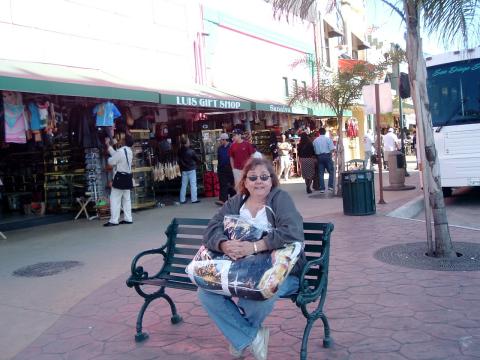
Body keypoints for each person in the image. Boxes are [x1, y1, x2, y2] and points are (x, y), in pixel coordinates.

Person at [199, 157, 305, 360]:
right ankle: (253, 337)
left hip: (280, 270)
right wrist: (223, 244)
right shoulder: (236, 202)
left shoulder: (280, 199)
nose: (259, 181)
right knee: (206, 292)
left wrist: (255, 246)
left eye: (264, 177)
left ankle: (240, 337)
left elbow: (292, 232)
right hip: (239, 269)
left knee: (256, 299)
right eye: (253, 177)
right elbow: (212, 228)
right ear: (245, 181)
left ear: (272, 180)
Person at [104, 135, 134, 226]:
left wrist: (109, 159)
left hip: (120, 177)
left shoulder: (121, 151)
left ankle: (114, 220)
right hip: (127, 177)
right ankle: (128, 218)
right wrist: (108, 146)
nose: (120, 140)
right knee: (126, 199)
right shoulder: (129, 151)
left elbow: (112, 161)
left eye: (122, 139)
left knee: (114, 198)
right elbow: (117, 155)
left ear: (124, 141)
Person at [178, 137, 201, 204]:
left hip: (184, 170)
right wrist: (200, 162)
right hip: (191, 168)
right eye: (188, 141)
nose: (189, 142)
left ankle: (182, 199)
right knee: (193, 184)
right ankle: (194, 199)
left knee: (184, 185)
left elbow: (179, 159)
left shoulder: (179, 151)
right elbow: (196, 159)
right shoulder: (191, 151)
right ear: (186, 143)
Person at [312, 128, 335, 193]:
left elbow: (313, 149)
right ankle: (330, 186)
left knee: (320, 173)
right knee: (331, 171)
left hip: (319, 157)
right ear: (325, 132)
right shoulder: (328, 139)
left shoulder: (315, 140)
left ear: (319, 132)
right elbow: (332, 149)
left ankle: (322, 188)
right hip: (327, 155)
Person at [216, 133, 236, 206]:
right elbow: (219, 158)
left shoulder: (232, 146)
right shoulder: (220, 148)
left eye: (221, 140)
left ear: (224, 139)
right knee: (223, 184)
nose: (220, 141)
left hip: (230, 167)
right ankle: (223, 199)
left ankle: (233, 198)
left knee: (231, 184)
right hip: (221, 168)